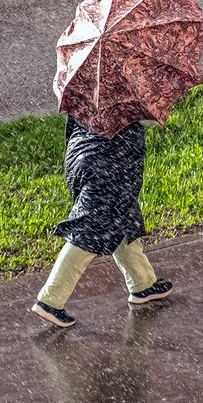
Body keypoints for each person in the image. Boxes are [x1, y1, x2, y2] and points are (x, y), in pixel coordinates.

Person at [32, 116, 173, 328]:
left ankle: (143, 283)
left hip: (81, 155)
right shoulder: (126, 92)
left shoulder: (92, 88)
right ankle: (50, 299)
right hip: (108, 166)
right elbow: (151, 119)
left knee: (125, 220)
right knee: (89, 233)